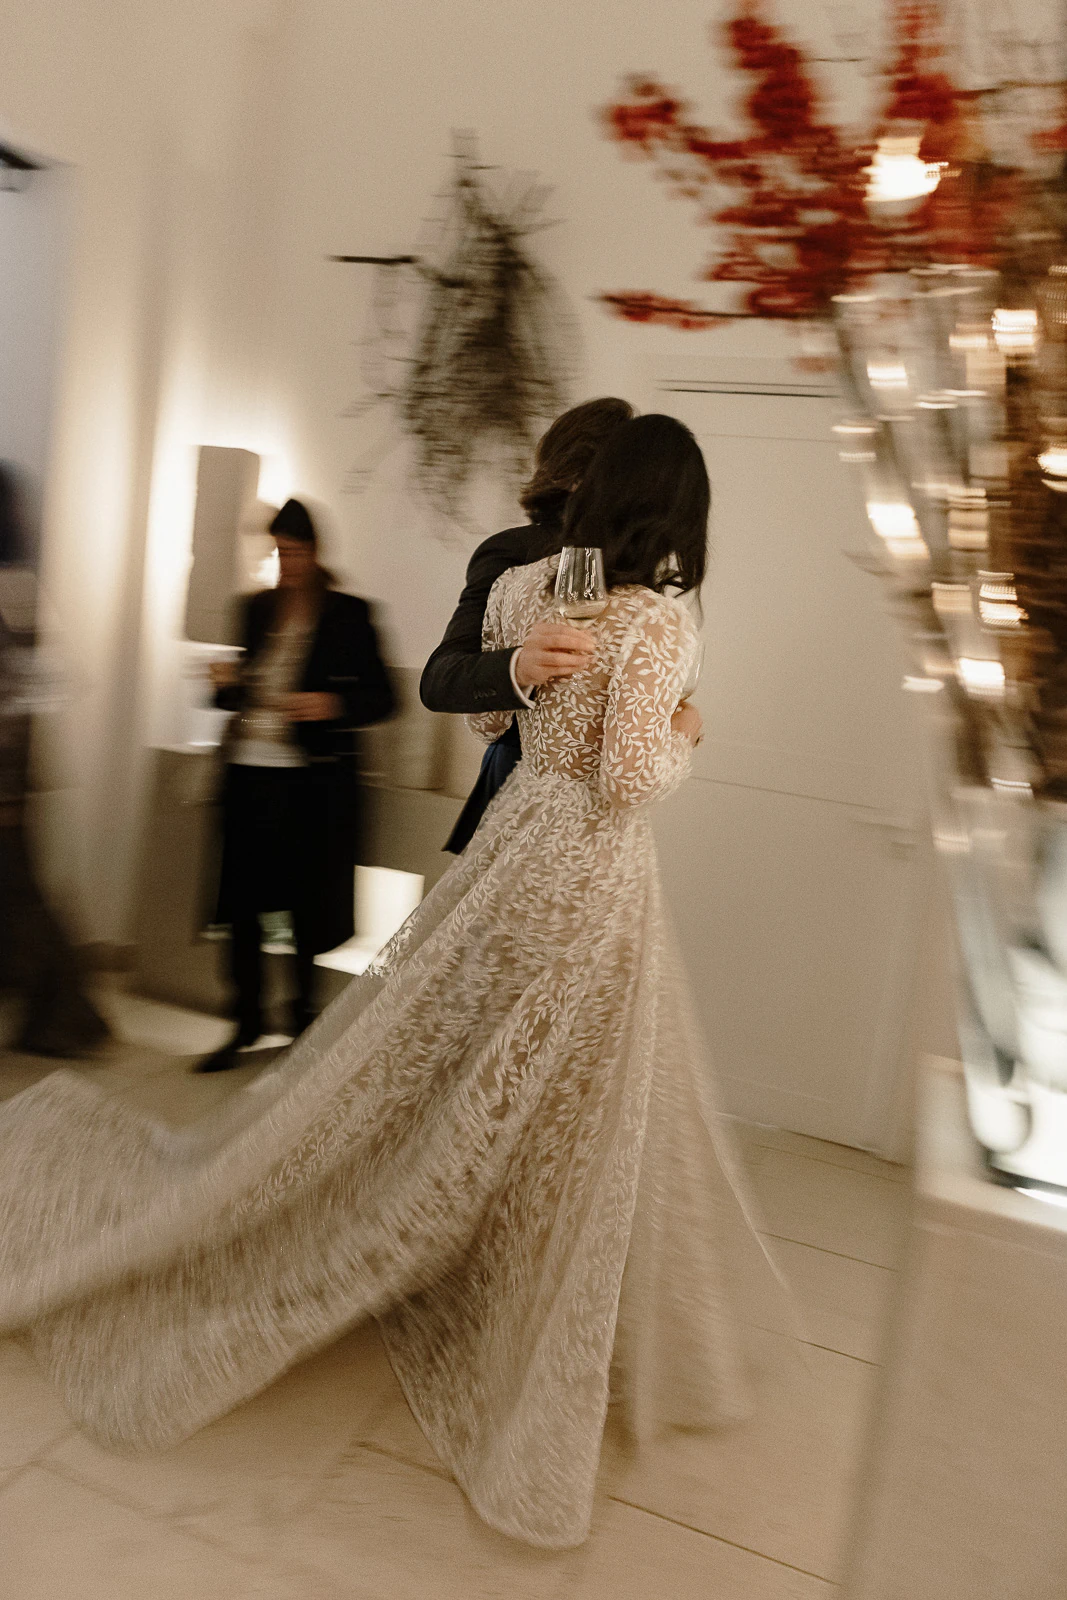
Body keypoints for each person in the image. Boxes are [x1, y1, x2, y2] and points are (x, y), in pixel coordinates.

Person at [0, 417, 786, 1550]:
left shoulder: (538, 591)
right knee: (570, 1088)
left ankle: (478, 1256)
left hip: (517, 849)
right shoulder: (653, 617)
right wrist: (686, 732)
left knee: (523, 1077)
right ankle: (494, 1284)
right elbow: (616, 768)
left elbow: (484, 717)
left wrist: (533, 688)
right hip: (590, 876)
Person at [199, 498, 394, 1071]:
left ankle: (302, 1016)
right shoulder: (255, 609)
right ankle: (245, 1020)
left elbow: (383, 698)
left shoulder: (349, 614)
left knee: (306, 901)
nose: (289, 564)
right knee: (239, 903)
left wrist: (329, 703)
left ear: (317, 552)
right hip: (247, 770)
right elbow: (238, 694)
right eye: (281, 552)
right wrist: (224, 684)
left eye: (298, 552)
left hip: (309, 783)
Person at [421, 396, 633, 852]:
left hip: (606, 814)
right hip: (520, 782)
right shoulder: (515, 552)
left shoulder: (640, 564)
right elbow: (439, 679)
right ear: (576, 476)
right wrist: (519, 667)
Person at [0, 463, 109, 1058]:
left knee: (23, 898)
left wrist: (10, 788)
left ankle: (69, 1015)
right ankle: (65, 1015)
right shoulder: (15, 586)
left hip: (5, 780)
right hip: (10, 778)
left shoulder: (10, 588)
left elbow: (26, 693)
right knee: (21, 896)